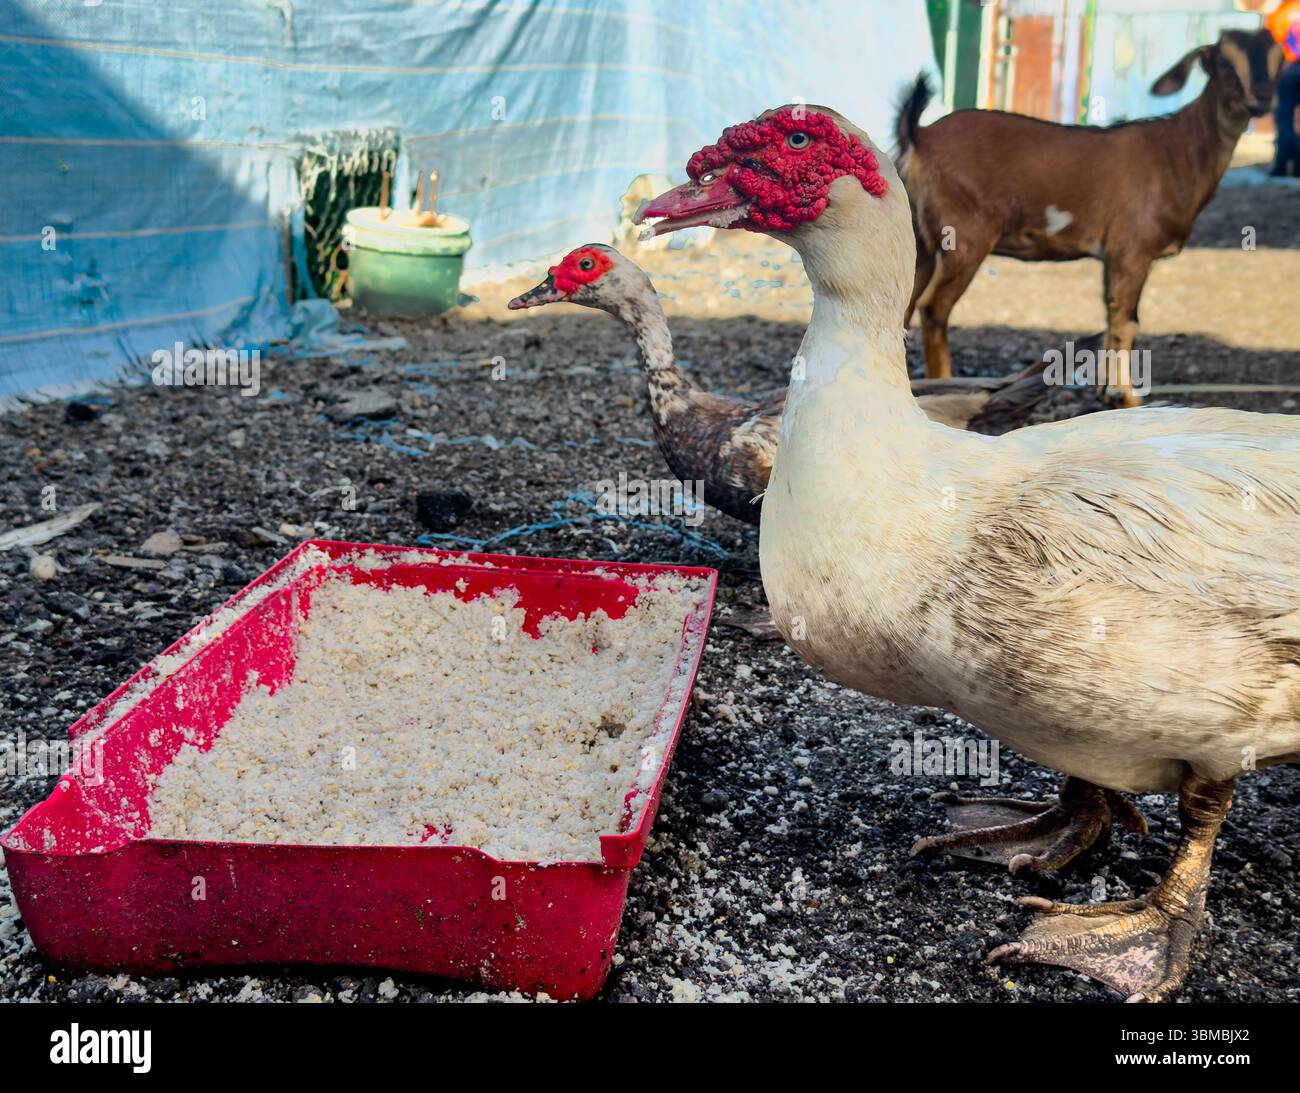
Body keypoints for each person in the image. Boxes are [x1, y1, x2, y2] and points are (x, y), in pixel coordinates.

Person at [1267, 0, 1300, 175]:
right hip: (1290, 70)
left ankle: (1282, 164)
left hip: (1289, 70)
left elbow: (1273, 45)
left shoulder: (1280, 13)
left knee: (1284, 120)